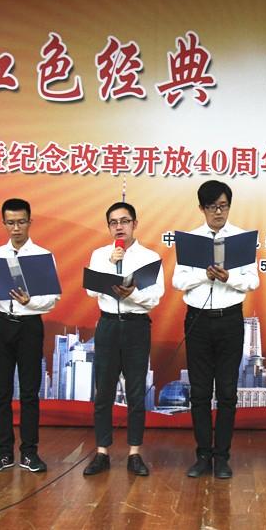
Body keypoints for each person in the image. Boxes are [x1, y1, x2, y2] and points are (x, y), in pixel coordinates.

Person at [172, 180, 259, 479]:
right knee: (199, 392)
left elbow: (253, 281)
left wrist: (228, 277)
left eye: (223, 206)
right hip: (197, 321)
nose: (218, 212)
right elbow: (178, 281)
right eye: (212, 206)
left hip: (229, 321)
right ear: (201, 208)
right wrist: (204, 275)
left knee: (227, 392)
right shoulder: (191, 240)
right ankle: (202, 455)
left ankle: (222, 457)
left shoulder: (241, 239)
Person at [83, 202, 164, 477]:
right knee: (103, 392)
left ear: (134, 224)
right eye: (113, 222)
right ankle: (102, 452)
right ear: (109, 227)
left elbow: (155, 297)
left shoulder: (150, 257)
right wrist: (109, 264)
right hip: (107, 325)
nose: (119, 226)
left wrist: (133, 294)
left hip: (136, 326)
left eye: (125, 221)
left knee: (136, 393)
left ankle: (134, 453)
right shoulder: (100, 255)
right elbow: (90, 292)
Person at [0, 198, 60, 473]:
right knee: (1, 392)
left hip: (29, 326)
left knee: (29, 392)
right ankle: (4, 453)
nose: (16, 228)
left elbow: (52, 299)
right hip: (0, 324)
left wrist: (29, 301)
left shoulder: (42, 256)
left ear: (30, 222)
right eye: (11, 223)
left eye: (21, 222)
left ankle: (29, 453)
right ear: (4, 223)